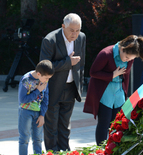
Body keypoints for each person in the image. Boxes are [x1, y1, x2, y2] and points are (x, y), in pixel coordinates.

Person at [83, 35, 143, 145]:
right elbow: (93, 72)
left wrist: (126, 95)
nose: (128, 60)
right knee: (104, 123)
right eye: (127, 57)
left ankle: (113, 148)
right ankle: (101, 149)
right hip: (105, 93)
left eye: (131, 59)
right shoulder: (106, 54)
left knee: (117, 124)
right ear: (122, 48)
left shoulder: (130, 58)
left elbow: (126, 76)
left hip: (119, 93)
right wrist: (112, 75)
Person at [39, 13, 86, 152]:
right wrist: (67, 62)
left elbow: (81, 64)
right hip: (53, 89)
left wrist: (79, 85)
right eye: (71, 30)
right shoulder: (50, 40)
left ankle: (65, 152)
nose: (75, 33)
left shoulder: (81, 37)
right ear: (63, 26)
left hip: (71, 88)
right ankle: (52, 152)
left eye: (78, 30)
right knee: (51, 127)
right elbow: (43, 67)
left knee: (65, 126)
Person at [18, 60, 54, 155]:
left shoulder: (43, 79)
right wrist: (38, 90)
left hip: (38, 113)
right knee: (24, 138)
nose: (47, 81)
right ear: (39, 73)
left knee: (38, 139)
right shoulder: (26, 80)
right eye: (46, 78)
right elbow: (22, 99)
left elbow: (45, 99)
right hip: (25, 112)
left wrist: (42, 115)